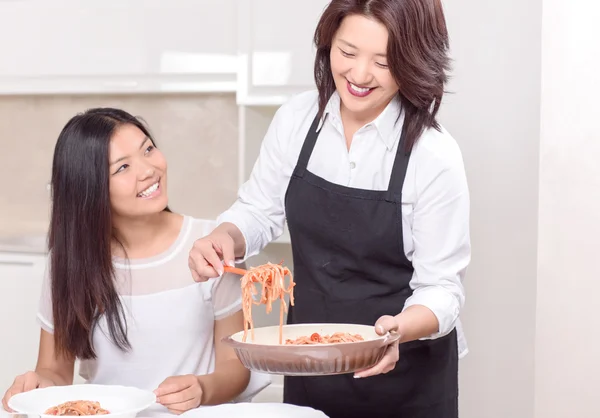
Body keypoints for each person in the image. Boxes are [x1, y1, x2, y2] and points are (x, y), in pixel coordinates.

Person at [188, 0, 470, 417]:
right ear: (327, 44)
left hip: (408, 375)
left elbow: (441, 288)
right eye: (347, 52)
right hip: (310, 361)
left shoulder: (433, 155)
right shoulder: (297, 120)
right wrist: (222, 237)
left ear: (413, 60)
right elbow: (259, 210)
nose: (358, 75)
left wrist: (396, 332)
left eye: (383, 61)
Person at [1, 108, 271, 415]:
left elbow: (235, 368)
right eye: (123, 167)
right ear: (89, 188)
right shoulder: (68, 263)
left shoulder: (209, 244)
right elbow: (55, 372)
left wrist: (203, 388)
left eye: (148, 149)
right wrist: (36, 388)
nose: (147, 170)